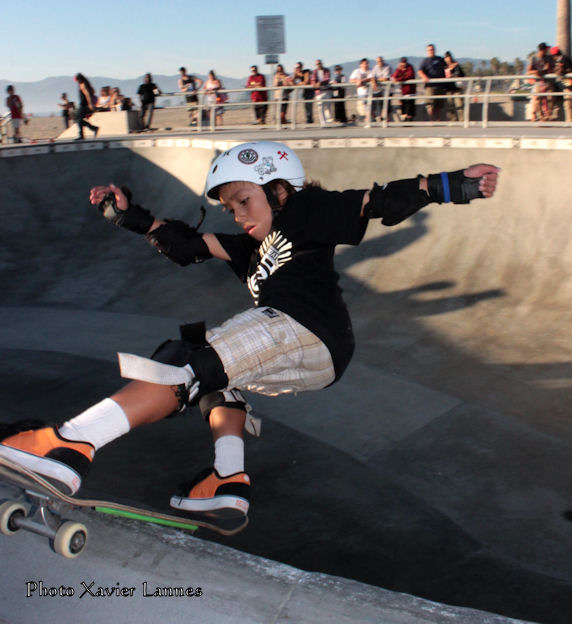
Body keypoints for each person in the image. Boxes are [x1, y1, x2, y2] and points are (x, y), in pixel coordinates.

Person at [0, 140, 499, 524]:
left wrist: (452, 185)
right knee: (215, 383)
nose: (239, 215)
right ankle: (227, 478)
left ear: (279, 190)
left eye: (244, 200)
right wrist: (131, 216)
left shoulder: (306, 210)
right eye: (230, 208)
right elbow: (188, 245)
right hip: (314, 358)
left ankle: (69, 444)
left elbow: (377, 201)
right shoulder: (249, 248)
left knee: (186, 360)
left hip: (303, 326)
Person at [418, 44, 447, 121]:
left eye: (432, 49)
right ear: (427, 51)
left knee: (438, 106)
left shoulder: (440, 59)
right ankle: (432, 121)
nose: (431, 51)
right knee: (430, 105)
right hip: (430, 87)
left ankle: (438, 121)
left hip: (440, 86)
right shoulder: (425, 61)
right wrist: (424, 77)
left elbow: (446, 67)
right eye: (429, 50)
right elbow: (420, 71)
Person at [527, 43, 554, 122]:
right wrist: (535, 72)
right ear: (543, 50)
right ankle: (540, 116)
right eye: (546, 49)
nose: (547, 51)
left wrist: (547, 68)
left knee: (550, 98)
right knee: (538, 99)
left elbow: (550, 68)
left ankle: (548, 116)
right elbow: (528, 71)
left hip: (548, 82)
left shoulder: (548, 58)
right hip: (539, 83)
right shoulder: (533, 58)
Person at [550, 46, 572, 123]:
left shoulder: (564, 59)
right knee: (567, 103)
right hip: (566, 83)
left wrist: (563, 71)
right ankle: (569, 120)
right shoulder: (557, 61)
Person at [74, 73, 99, 140]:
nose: (77, 82)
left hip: (84, 105)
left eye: (77, 80)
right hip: (83, 104)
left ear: (80, 79)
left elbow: (88, 95)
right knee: (78, 119)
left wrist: (90, 104)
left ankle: (82, 135)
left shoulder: (83, 85)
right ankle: (93, 128)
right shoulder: (83, 84)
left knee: (78, 119)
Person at [349, 58, 373, 123]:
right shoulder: (357, 71)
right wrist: (357, 80)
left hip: (370, 92)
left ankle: (368, 120)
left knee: (369, 107)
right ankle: (365, 120)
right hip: (361, 92)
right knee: (364, 107)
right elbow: (351, 80)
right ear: (361, 65)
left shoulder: (371, 70)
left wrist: (362, 80)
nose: (366, 65)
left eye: (367, 63)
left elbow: (371, 78)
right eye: (364, 64)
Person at [444, 51, 465, 122]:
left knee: (459, 105)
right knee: (450, 106)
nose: (448, 59)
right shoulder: (444, 67)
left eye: (449, 57)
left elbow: (461, 75)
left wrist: (453, 75)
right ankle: (452, 120)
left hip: (457, 88)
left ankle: (462, 120)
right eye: (446, 58)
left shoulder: (456, 65)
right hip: (448, 89)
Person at [311, 59, 333, 125]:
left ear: (322, 63)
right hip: (318, 91)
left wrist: (320, 83)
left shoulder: (326, 70)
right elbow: (313, 80)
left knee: (327, 106)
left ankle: (329, 121)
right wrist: (314, 84)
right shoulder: (314, 71)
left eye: (319, 63)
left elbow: (327, 79)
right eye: (317, 64)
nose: (318, 65)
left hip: (326, 90)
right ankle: (323, 122)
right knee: (320, 107)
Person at [371, 56, 391, 121]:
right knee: (376, 101)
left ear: (383, 61)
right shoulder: (375, 68)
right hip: (379, 89)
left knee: (386, 102)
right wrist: (374, 81)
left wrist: (377, 80)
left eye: (380, 61)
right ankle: (378, 116)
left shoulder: (387, 67)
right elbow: (372, 77)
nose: (379, 62)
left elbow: (386, 78)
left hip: (387, 88)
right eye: (378, 61)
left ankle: (386, 118)